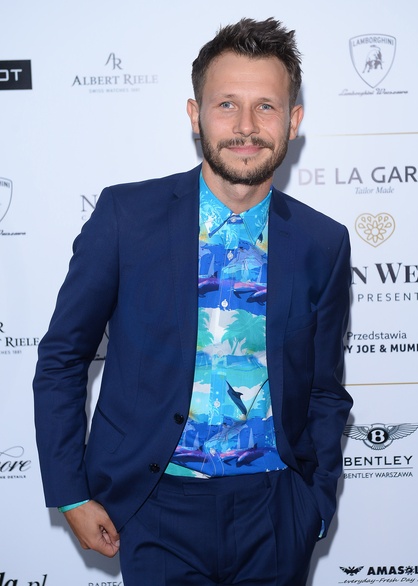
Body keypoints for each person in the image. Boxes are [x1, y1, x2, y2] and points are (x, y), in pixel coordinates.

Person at [33, 17, 352, 586]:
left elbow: (325, 390)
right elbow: (62, 358)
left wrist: (315, 505)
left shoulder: (322, 242)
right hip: (155, 507)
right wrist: (70, 494)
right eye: (227, 105)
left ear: (294, 121)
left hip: (276, 510)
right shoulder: (126, 218)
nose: (246, 126)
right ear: (194, 114)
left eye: (266, 107)